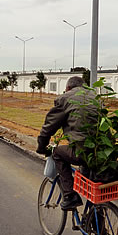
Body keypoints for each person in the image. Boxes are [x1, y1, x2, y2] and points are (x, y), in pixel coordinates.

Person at [36, 76, 98, 210]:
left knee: (57, 153)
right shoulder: (95, 97)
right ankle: (96, 224)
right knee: (93, 190)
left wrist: (41, 146)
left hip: (83, 150)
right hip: (102, 151)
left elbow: (49, 126)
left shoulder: (66, 98)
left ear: (68, 88)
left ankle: (70, 196)